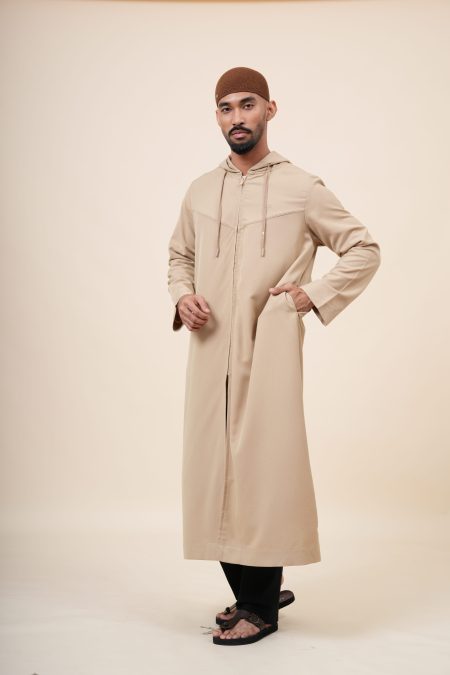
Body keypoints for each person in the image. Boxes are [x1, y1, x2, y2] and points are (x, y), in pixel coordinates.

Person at [167, 66, 381, 645]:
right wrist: (183, 295)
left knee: (265, 464)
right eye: (226, 108)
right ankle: (254, 589)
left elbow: (363, 248)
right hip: (211, 347)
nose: (237, 117)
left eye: (247, 104)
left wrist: (312, 295)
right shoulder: (199, 190)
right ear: (217, 117)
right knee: (212, 465)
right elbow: (180, 256)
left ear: (270, 109)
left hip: (270, 342)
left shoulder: (302, 187)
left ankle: (259, 605)